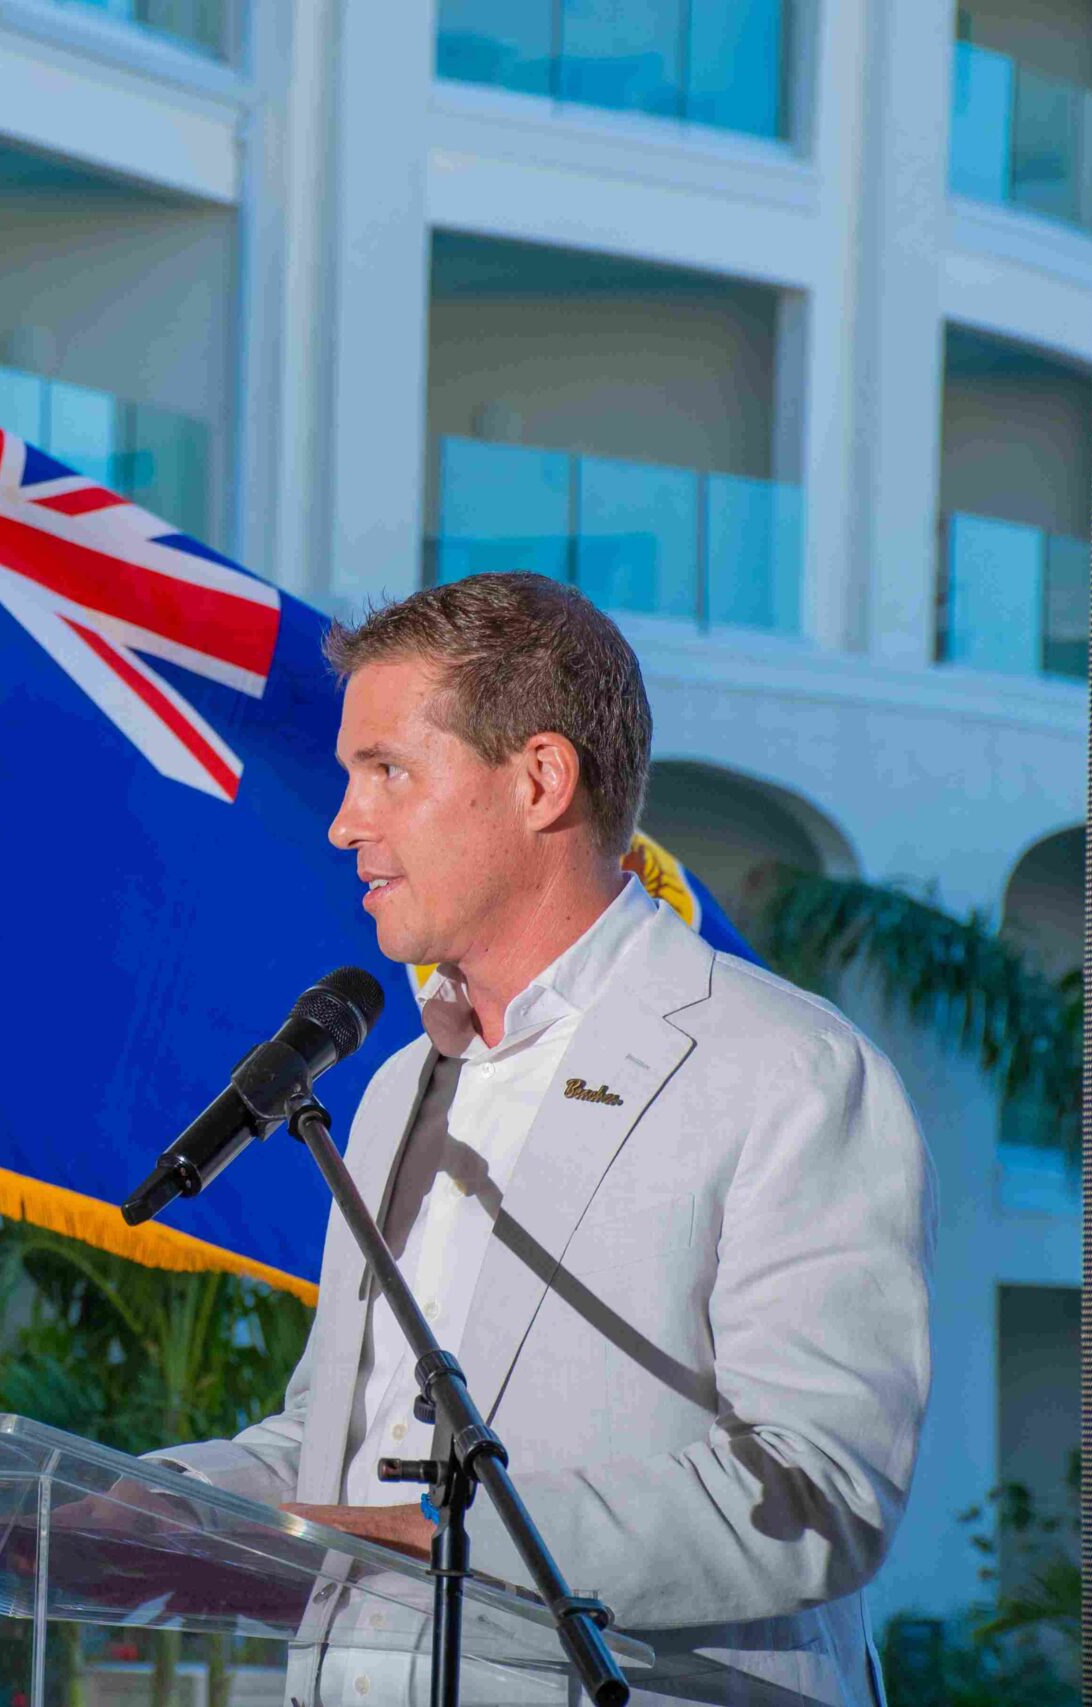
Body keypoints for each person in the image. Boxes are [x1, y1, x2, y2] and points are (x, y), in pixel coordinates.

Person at [148, 573, 934, 1706]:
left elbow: (815, 1492)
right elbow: (337, 1440)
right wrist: (152, 1503)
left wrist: (444, 1546)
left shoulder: (789, 1071)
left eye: (387, 771)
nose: (344, 822)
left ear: (539, 780)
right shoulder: (396, 1089)